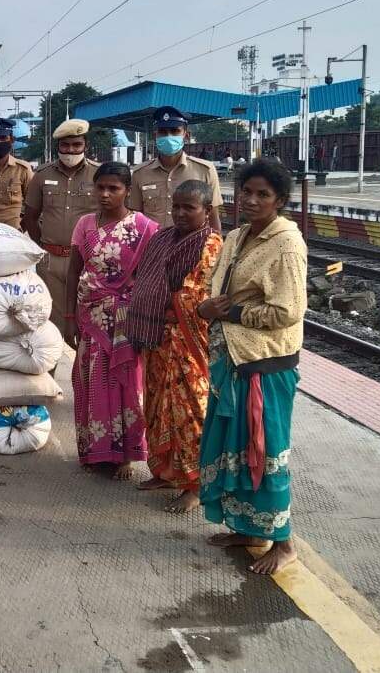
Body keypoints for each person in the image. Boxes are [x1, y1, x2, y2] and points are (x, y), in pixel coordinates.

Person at [196, 157, 306, 575]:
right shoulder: (238, 236)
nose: (252, 200)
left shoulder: (287, 245)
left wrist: (235, 314)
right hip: (232, 361)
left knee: (265, 449)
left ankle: (283, 540)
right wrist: (209, 308)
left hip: (264, 364)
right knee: (234, 450)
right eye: (247, 192)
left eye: (264, 194)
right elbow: (217, 292)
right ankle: (248, 528)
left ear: (279, 200)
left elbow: (288, 310)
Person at [128, 181, 223, 513]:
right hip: (156, 339)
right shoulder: (162, 238)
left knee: (189, 412)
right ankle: (165, 472)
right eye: (177, 206)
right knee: (156, 406)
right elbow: (143, 278)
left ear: (207, 211)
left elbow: (200, 294)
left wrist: (170, 301)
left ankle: (194, 485)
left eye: (190, 208)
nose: (181, 213)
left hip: (186, 343)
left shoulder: (210, 244)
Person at [64, 162, 159, 480]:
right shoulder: (85, 225)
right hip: (89, 316)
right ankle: (95, 449)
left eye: (113, 188)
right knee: (90, 380)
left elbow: (149, 276)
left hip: (124, 320)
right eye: (100, 187)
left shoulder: (144, 227)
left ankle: (125, 455)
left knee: (125, 384)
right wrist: (68, 317)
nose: (105, 194)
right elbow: (73, 271)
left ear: (127, 191)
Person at [23, 118, 99, 333]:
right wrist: (42, 246)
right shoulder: (41, 175)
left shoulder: (99, 174)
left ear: (86, 145)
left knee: (89, 320)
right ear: (57, 147)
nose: (70, 151)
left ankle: (84, 365)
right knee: (51, 322)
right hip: (51, 260)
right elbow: (30, 216)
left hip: (88, 260)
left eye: (76, 145)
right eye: (65, 145)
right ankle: (54, 364)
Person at [130, 106, 223, 233]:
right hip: (151, 247)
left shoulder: (205, 170)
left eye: (175, 131)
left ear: (186, 135)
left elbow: (213, 216)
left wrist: (217, 249)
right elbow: (135, 218)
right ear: (155, 135)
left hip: (192, 248)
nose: (168, 136)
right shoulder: (139, 174)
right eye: (163, 131)